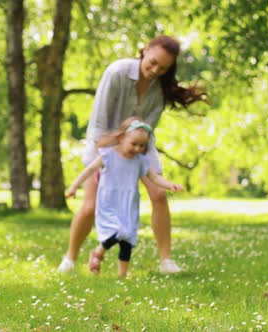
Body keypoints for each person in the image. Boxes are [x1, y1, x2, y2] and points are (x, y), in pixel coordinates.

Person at [58, 35, 207, 274]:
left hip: (139, 145)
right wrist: (107, 160)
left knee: (158, 195)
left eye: (163, 68)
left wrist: (139, 159)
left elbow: (147, 131)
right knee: (89, 206)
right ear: (145, 51)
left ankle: (166, 261)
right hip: (104, 143)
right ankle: (70, 259)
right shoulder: (117, 72)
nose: (155, 70)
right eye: (153, 63)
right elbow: (99, 124)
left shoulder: (158, 88)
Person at [66, 117, 183, 277]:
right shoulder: (108, 155)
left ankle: (122, 276)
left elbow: (154, 178)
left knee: (128, 238)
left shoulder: (140, 161)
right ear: (122, 138)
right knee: (118, 231)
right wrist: (73, 187)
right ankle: (99, 252)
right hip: (109, 201)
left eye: (142, 146)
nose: (137, 148)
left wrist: (169, 185)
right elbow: (89, 170)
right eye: (134, 144)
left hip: (128, 204)